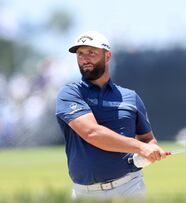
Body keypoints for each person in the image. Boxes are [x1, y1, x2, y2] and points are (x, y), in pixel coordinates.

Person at [55, 31, 166, 200]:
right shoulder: (70, 93)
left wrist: (147, 154)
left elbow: (148, 140)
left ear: (107, 56)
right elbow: (92, 133)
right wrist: (141, 148)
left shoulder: (131, 97)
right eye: (80, 54)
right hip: (85, 194)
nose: (85, 58)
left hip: (130, 187)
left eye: (91, 53)